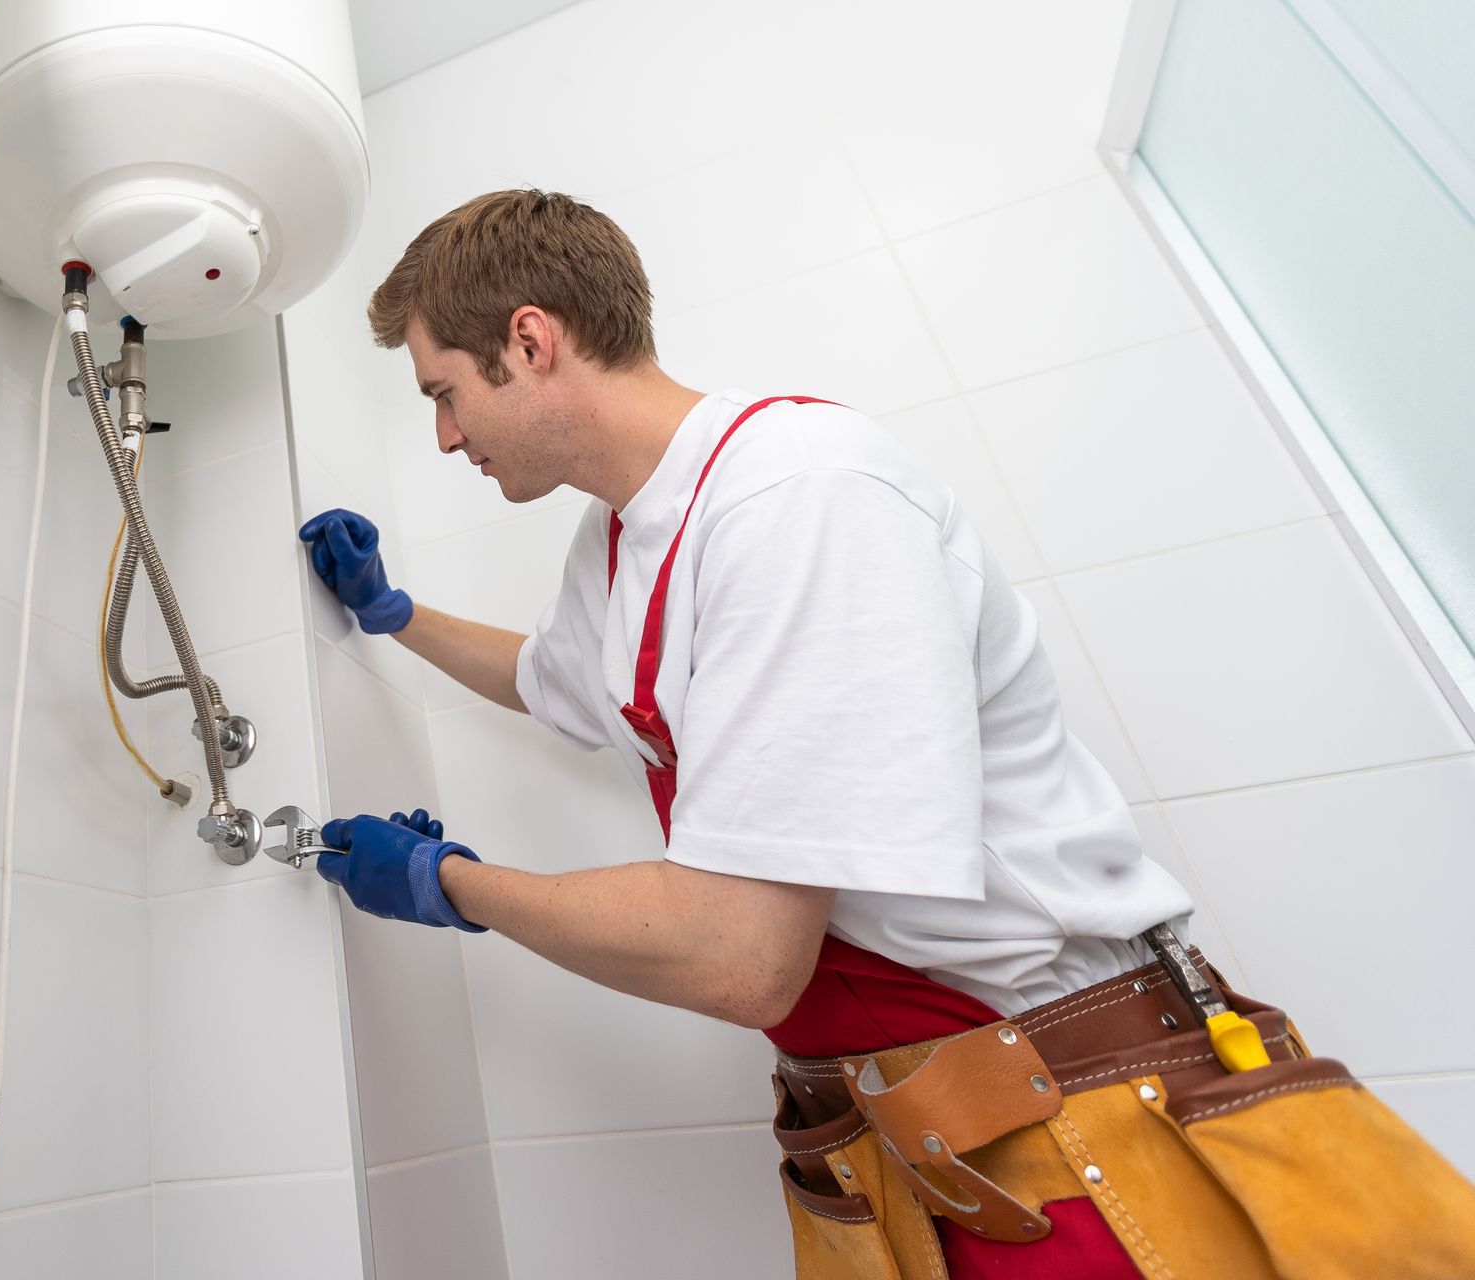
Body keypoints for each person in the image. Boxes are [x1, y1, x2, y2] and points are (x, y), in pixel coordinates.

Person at [298, 189, 1475, 1279]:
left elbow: (742, 951)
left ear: (531, 339)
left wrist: (455, 883)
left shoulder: (798, 494)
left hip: (1068, 1116)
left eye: (443, 389)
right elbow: (553, 678)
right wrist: (390, 616)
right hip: (899, 1143)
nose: (447, 437)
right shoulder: (616, 546)